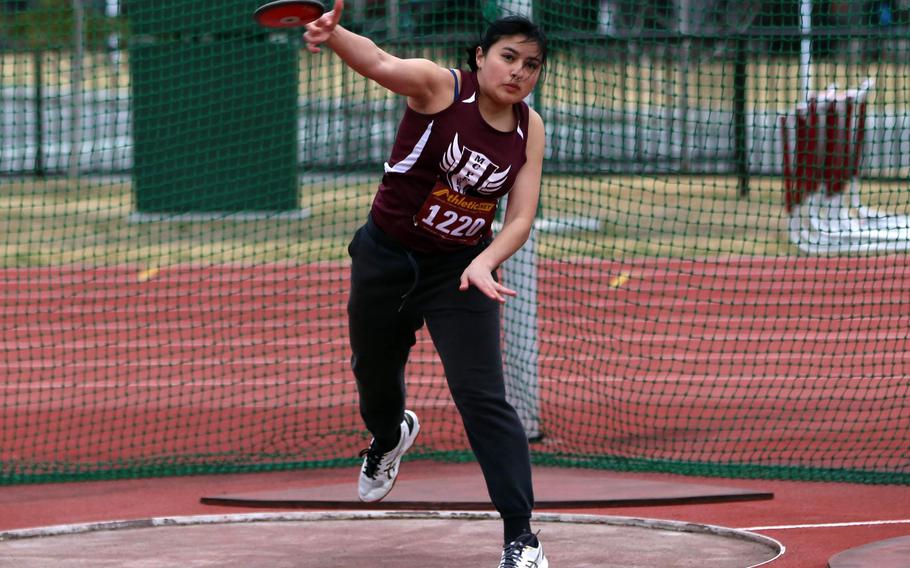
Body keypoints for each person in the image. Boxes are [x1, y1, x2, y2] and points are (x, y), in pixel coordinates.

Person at [305, 3, 548, 566]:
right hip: (386, 259)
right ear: (481, 56)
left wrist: (486, 262)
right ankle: (389, 438)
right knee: (375, 379)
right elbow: (379, 62)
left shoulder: (530, 128)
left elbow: (519, 218)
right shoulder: (441, 89)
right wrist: (334, 32)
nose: (518, 72)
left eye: (531, 65)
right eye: (508, 57)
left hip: (459, 272)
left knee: (483, 398)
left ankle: (521, 537)